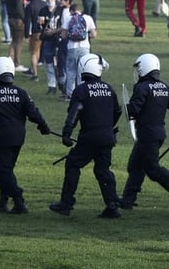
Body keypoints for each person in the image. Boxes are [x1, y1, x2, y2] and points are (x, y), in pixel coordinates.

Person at [49, 53, 122, 218]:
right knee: (103, 170)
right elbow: (117, 112)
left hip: (89, 138)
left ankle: (66, 204)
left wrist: (67, 133)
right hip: (107, 137)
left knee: (73, 164)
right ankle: (112, 206)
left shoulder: (81, 90)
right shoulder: (109, 89)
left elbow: (75, 112)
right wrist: (107, 127)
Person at [0, 57, 51, 214]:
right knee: (7, 170)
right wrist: (43, 126)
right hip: (18, 137)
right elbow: (33, 113)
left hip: (2, 137)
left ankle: (19, 200)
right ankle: (2, 202)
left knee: (4, 172)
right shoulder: (21, 93)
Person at [119, 54, 169, 212]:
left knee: (152, 169)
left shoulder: (142, 88)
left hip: (147, 135)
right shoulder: (164, 87)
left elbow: (133, 110)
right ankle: (127, 200)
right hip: (158, 134)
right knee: (135, 165)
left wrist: (125, 107)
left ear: (144, 68)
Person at [61, 0, 96, 99]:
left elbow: (63, 35)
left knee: (70, 71)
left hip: (72, 47)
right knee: (83, 71)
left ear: (71, 10)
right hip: (85, 48)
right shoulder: (88, 18)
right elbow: (94, 34)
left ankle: (70, 94)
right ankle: (82, 94)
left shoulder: (68, 18)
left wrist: (69, 35)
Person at [38, 0, 64, 95]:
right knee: (48, 63)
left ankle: (62, 83)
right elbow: (40, 25)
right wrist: (40, 25)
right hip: (47, 40)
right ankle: (51, 85)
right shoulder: (43, 10)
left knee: (59, 63)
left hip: (58, 39)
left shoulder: (60, 10)